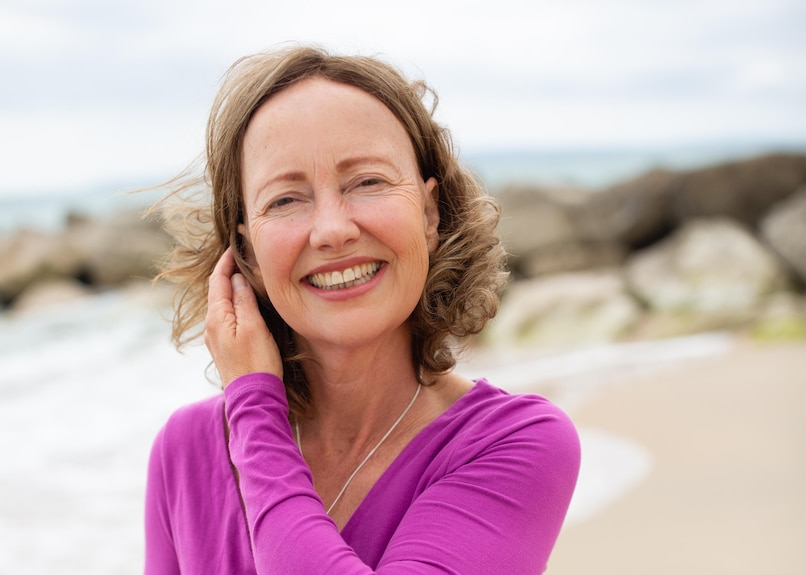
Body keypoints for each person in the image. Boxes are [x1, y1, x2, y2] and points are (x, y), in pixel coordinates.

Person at [144, 45, 580, 574]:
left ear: (429, 211)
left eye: (367, 182)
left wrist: (255, 413)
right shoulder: (186, 452)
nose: (332, 230)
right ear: (247, 252)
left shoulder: (514, 444)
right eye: (285, 199)